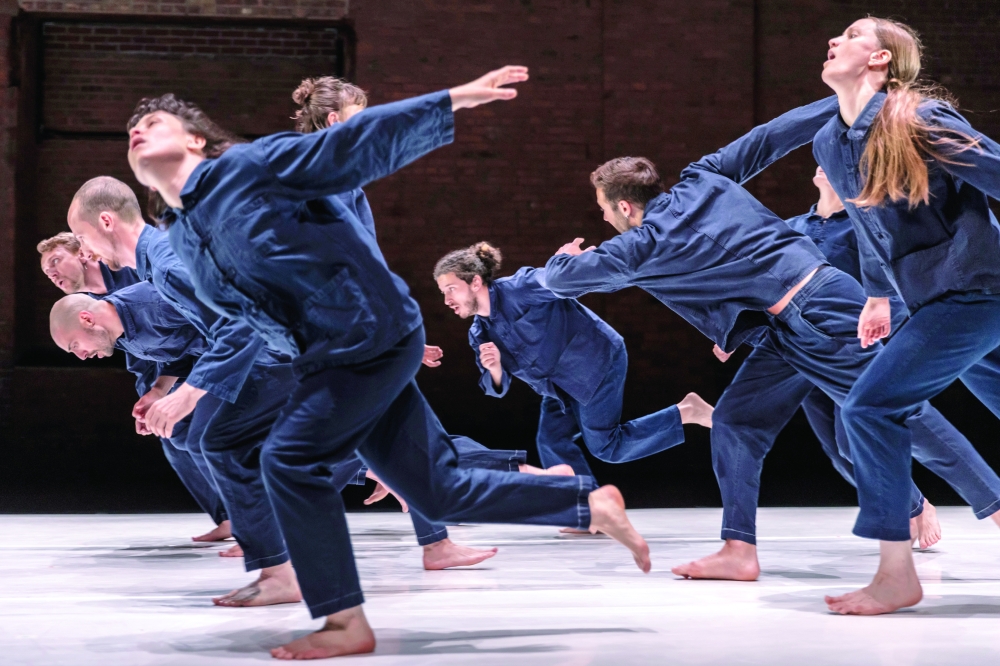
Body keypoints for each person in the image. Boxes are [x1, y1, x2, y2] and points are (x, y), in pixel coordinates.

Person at [125, 66, 650, 659]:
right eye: (131, 132)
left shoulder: (249, 167)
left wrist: (451, 100)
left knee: (289, 459)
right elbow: (246, 314)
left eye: (153, 121)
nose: (138, 133)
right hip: (332, 352)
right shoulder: (187, 233)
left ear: (195, 139)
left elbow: (350, 144)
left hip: (363, 334)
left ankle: (342, 620)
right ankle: (586, 502)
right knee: (437, 490)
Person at [814, 17, 1000, 614]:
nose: (833, 41)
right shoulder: (831, 141)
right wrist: (877, 295)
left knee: (870, 406)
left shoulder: (917, 119)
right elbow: (869, 230)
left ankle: (895, 573)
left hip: (977, 289)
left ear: (882, 60)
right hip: (934, 298)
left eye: (851, 35)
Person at [713, 166, 1000, 550]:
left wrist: (886, 333)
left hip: (851, 341)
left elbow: (895, 288)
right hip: (793, 345)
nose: (821, 163)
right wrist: (734, 328)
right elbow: (763, 284)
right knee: (838, 452)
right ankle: (914, 505)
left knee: (870, 433)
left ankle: (990, 501)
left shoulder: (864, 224)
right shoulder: (792, 226)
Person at [433, 241, 713, 483]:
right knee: (551, 440)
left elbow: (556, 281)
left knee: (608, 447)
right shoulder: (479, 333)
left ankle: (687, 411)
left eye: (451, 289)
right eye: (442, 292)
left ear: (476, 282)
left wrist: (566, 264)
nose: (446, 300)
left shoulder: (518, 288)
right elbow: (496, 386)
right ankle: (589, 507)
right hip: (558, 387)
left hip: (593, 363)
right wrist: (494, 369)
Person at [37, 232, 232, 544]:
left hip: (222, 351)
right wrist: (154, 392)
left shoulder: (135, 279)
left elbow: (209, 326)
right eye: (47, 272)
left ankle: (256, 524)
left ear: (84, 253)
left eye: (56, 261)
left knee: (210, 438)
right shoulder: (98, 313)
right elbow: (152, 354)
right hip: (176, 363)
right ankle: (233, 517)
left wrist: (190, 387)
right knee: (175, 436)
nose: (53, 273)